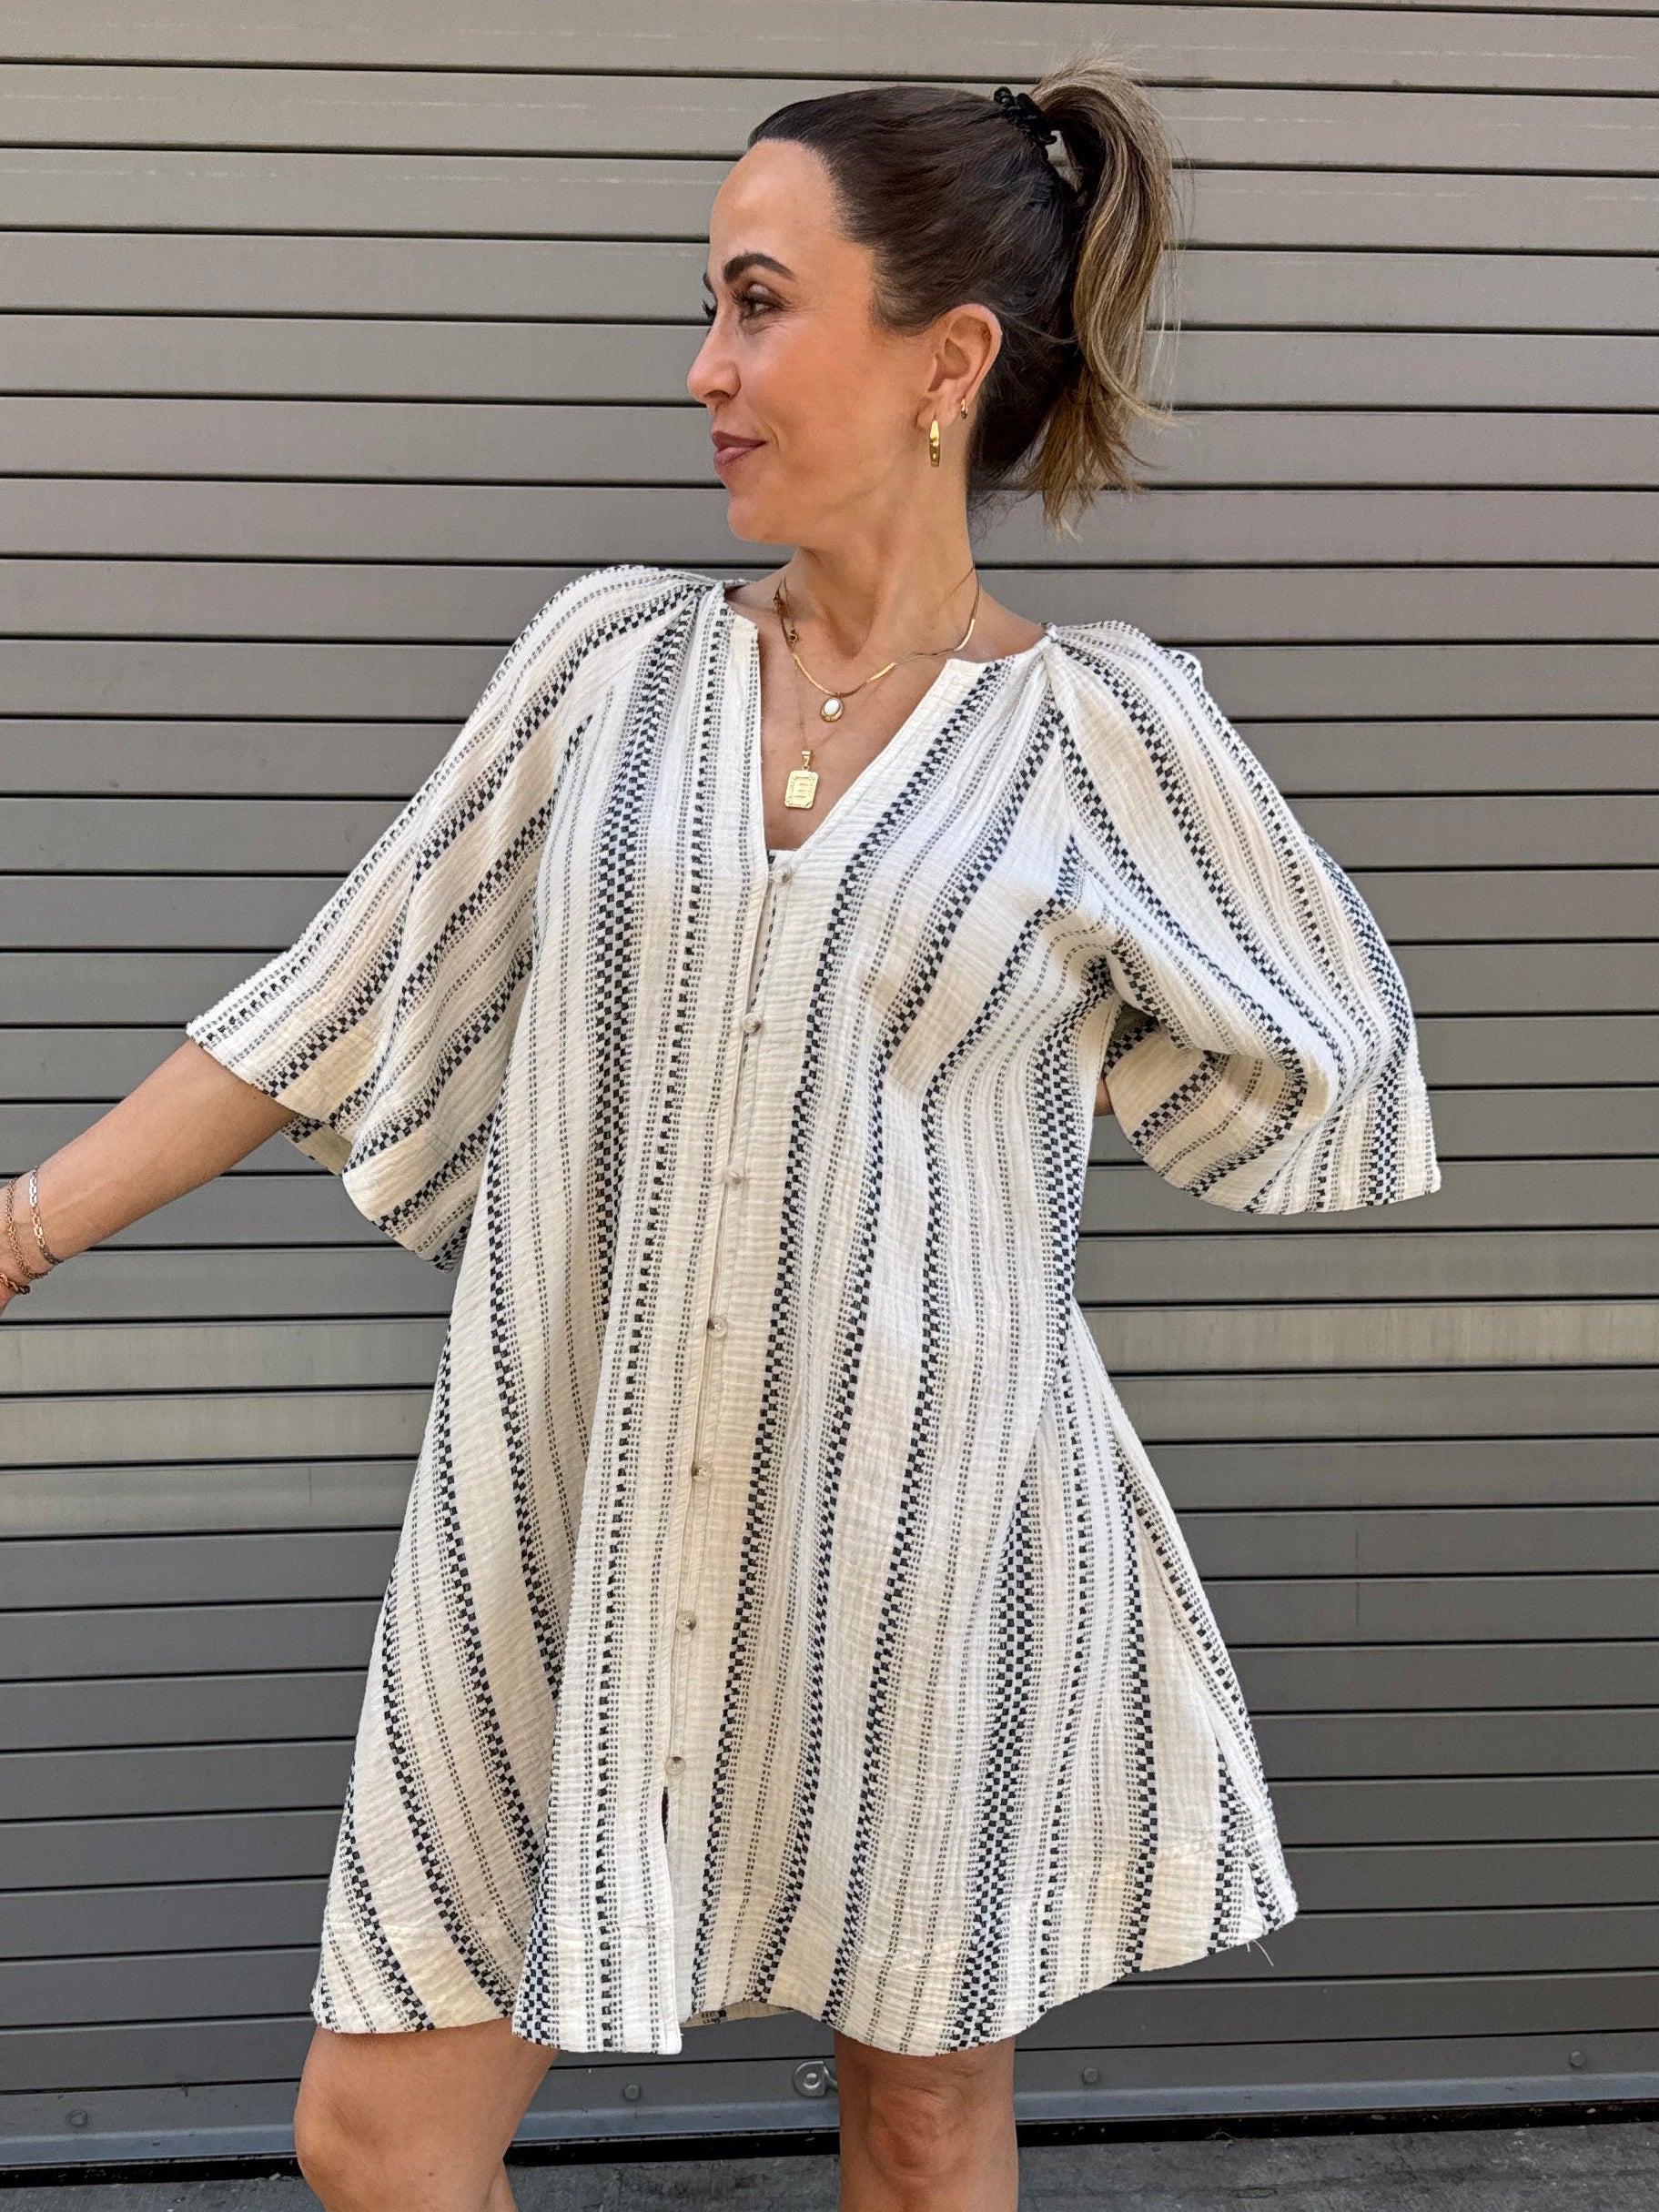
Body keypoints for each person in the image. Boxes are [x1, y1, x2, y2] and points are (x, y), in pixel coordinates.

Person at [2, 56, 1441, 2212]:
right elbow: (330, 996)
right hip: (568, 1506)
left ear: (947, 359)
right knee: (377, 2135)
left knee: (922, 2125)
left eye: (758, 303)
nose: (705, 366)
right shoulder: (609, 664)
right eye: (710, 305)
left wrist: (1031, 1088)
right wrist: (22, 1228)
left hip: (928, 1527)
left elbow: (1330, 1053)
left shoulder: (1102, 733)